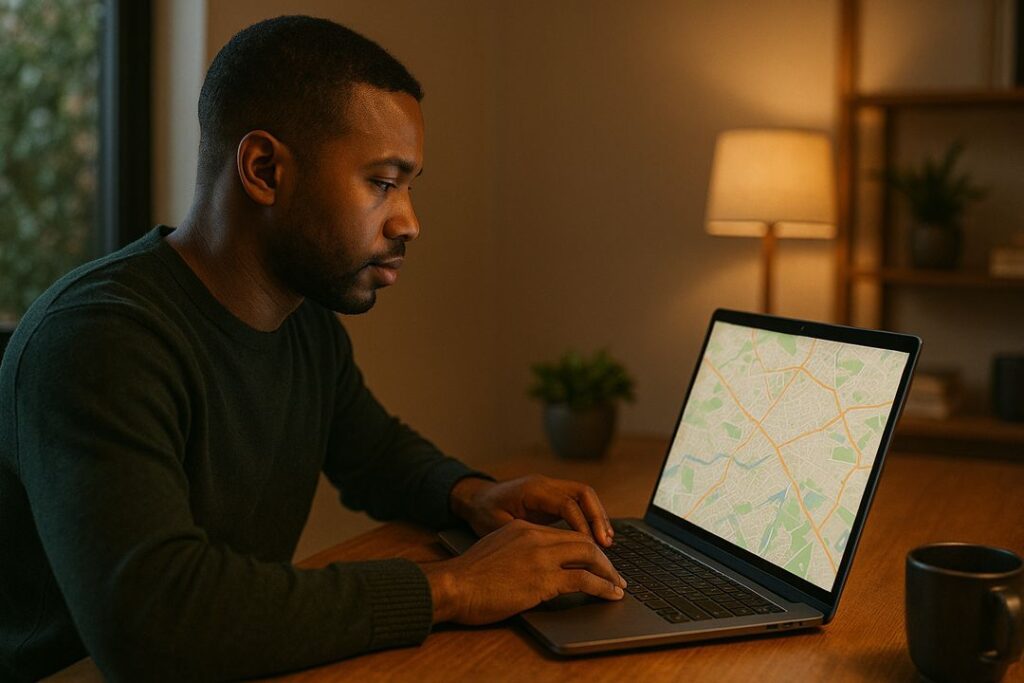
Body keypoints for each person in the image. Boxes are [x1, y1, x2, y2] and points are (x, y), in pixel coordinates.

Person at [0, 15, 627, 682]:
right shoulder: (101, 340)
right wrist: (452, 587)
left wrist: (474, 495)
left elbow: (374, 453)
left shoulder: (303, 322)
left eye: (409, 185)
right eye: (382, 182)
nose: (409, 221)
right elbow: (156, 619)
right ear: (264, 169)